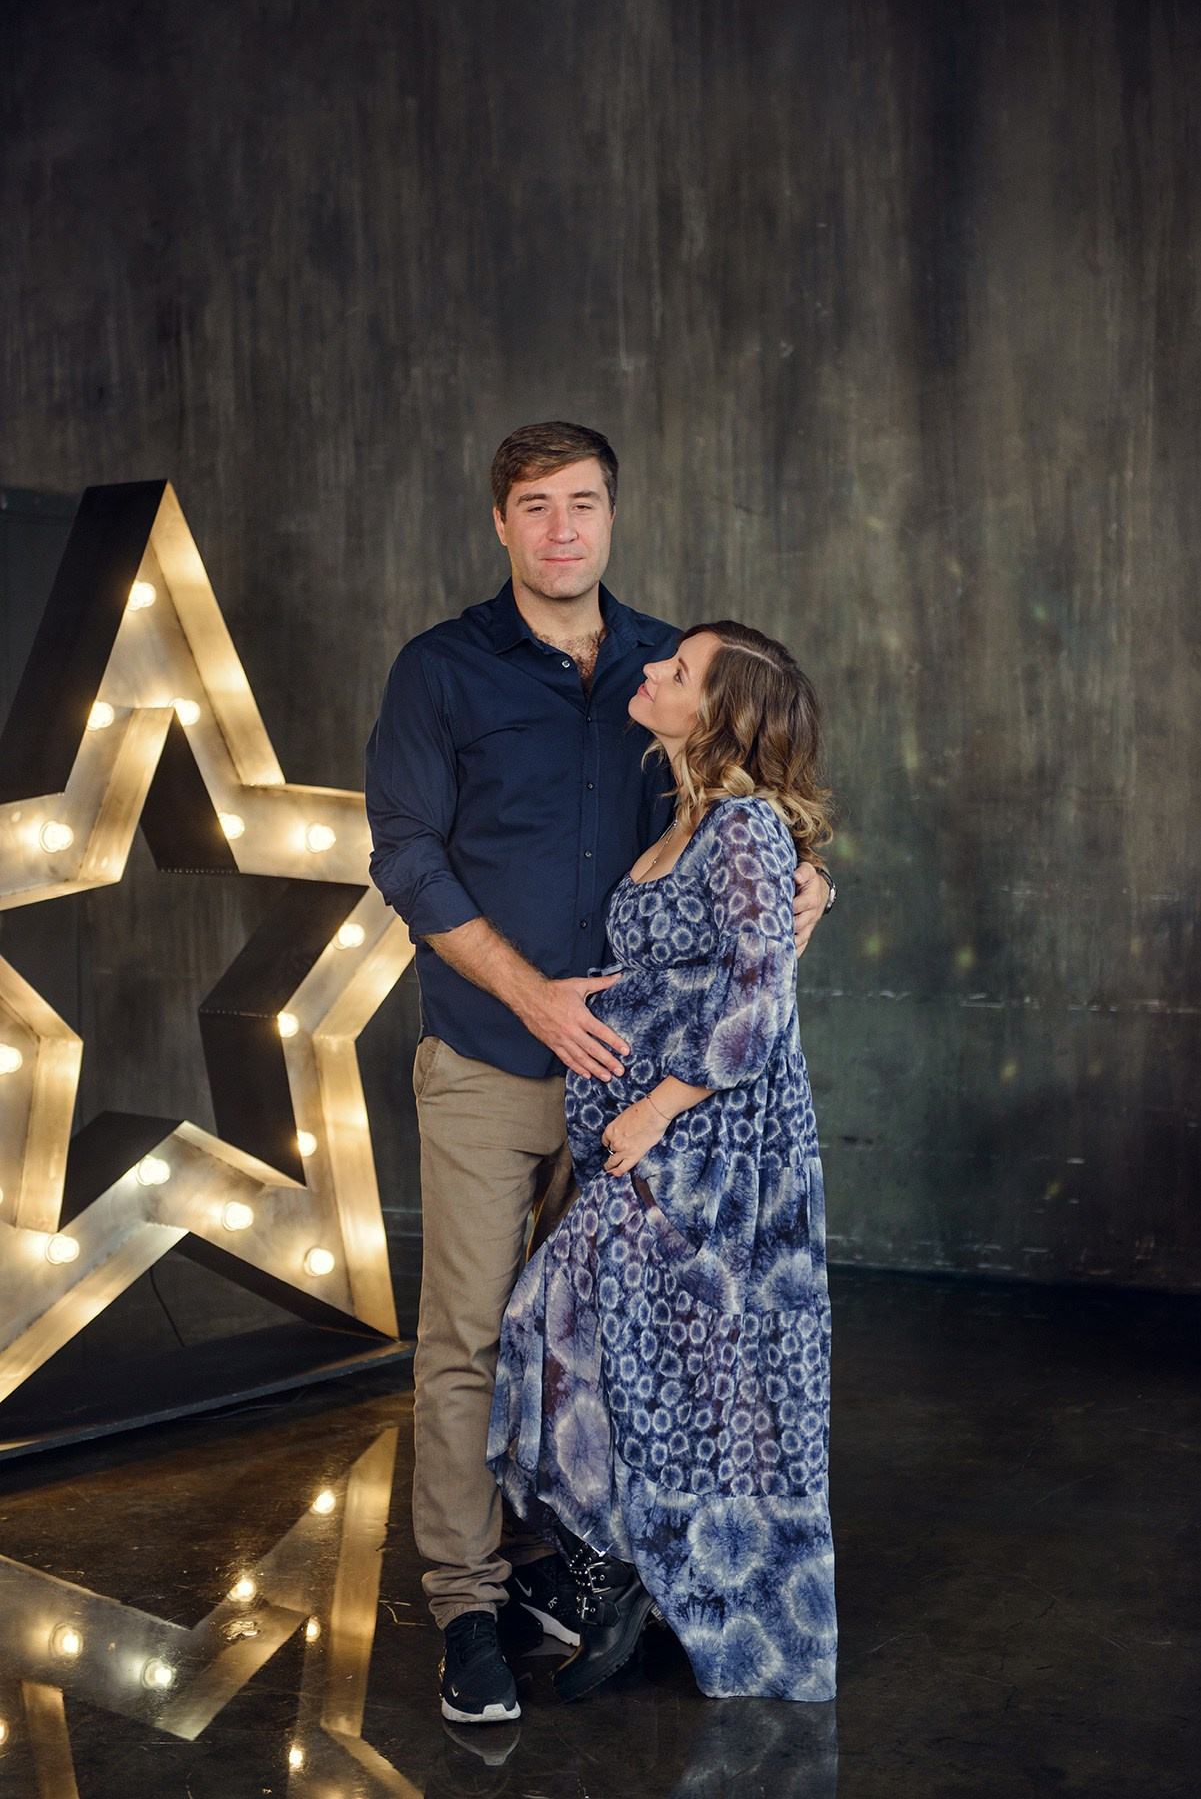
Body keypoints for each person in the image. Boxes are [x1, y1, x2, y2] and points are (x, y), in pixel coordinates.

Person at [365, 423, 834, 1724]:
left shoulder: (671, 668)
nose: (562, 529)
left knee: (622, 1351)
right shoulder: (440, 670)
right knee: (472, 1339)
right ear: (500, 522)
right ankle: (468, 1602)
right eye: (535, 506)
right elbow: (405, 855)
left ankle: (592, 1573)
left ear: (611, 516)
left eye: (583, 503)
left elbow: (746, 827)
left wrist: (811, 884)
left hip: (640, 1097)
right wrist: (531, 994)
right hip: (490, 1058)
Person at [487, 621, 837, 1703]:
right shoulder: (686, 818)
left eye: (677, 672)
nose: (651, 670)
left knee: (613, 1345)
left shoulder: (741, 829)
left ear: (717, 715)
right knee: (607, 1346)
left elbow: (759, 1004)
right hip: (656, 1144)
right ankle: (620, 1565)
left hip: (710, 1151)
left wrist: (653, 1110)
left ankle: (627, 1577)